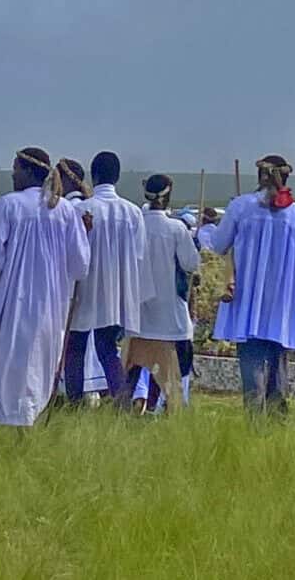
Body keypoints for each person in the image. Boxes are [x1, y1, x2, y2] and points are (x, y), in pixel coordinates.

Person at [0, 148, 91, 427]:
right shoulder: (66, 211)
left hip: (11, 303)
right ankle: (27, 419)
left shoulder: (9, 205)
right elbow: (80, 265)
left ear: (28, 171)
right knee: (37, 364)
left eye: (16, 169)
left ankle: (12, 424)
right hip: (50, 305)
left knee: (7, 364)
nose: (12, 175)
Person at [206, 155, 295, 420]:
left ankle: (254, 416)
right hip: (282, 304)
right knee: (278, 362)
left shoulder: (241, 207)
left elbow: (218, 244)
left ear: (260, 177)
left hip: (248, 301)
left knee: (252, 359)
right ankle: (276, 417)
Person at [66, 151, 143, 406]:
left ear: (93, 174)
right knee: (108, 348)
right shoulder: (132, 212)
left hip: (85, 287)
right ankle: (121, 402)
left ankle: (74, 401)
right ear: (117, 177)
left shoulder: (81, 209)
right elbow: (139, 255)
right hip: (116, 289)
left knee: (75, 347)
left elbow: (71, 252)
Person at [124, 174, 198, 412]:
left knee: (132, 370)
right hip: (170, 318)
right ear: (167, 196)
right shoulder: (176, 228)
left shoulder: (135, 224)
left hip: (138, 315)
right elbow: (190, 263)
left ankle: (128, 408)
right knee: (176, 369)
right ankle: (166, 408)